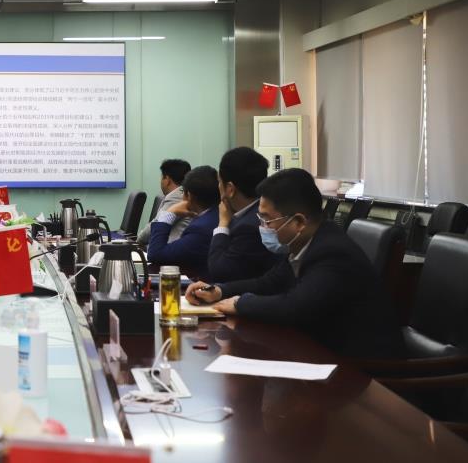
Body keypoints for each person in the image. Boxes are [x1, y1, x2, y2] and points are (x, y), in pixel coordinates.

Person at [186, 168, 403, 359]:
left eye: (267, 219)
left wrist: (240, 304)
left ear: (298, 221)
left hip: (360, 368)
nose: (262, 226)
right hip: (319, 351)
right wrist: (219, 291)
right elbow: (268, 283)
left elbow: (294, 307)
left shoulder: (332, 253)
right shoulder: (303, 243)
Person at [208, 147, 279, 282]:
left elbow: (219, 271)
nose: (218, 187)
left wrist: (223, 223)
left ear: (230, 189)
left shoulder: (248, 226)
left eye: (219, 182)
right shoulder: (257, 213)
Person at [146, 165, 221, 276]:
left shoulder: (201, 229)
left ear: (188, 195)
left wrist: (169, 213)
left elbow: (156, 255)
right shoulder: (216, 215)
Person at [137, 159, 192, 246]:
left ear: (167, 179)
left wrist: (138, 240)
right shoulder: (184, 193)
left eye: (162, 177)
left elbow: (155, 225)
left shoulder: (176, 197)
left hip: (172, 250)